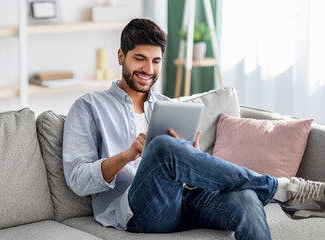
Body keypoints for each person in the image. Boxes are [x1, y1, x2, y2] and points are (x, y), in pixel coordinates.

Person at [63, 18, 325, 240]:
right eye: (139, 59)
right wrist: (127, 155)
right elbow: (78, 179)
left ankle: (273, 190)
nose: (148, 69)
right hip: (139, 212)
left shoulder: (167, 106)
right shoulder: (89, 106)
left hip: (183, 200)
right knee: (163, 145)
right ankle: (278, 187)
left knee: (246, 198)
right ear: (121, 56)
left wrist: (191, 157)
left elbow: (187, 177)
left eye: (156, 61)